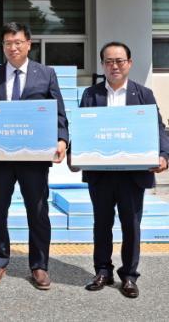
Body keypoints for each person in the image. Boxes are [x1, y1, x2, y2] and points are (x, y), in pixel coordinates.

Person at [0, 22, 68, 290]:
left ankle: (39, 266)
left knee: (37, 211)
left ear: (28, 44)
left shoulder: (46, 74)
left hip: (34, 157)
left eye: (17, 42)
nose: (12, 48)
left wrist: (62, 139)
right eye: (7, 43)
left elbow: (59, 112)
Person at [72, 41, 169, 298]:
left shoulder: (143, 94)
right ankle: (103, 271)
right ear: (102, 64)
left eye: (119, 61)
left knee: (131, 226)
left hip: (133, 174)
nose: (114, 66)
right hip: (101, 173)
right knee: (101, 224)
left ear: (129, 63)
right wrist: (74, 153)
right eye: (109, 61)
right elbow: (81, 129)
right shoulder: (90, 94)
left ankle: (129, 276)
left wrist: (163, 155)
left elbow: (158, 127)